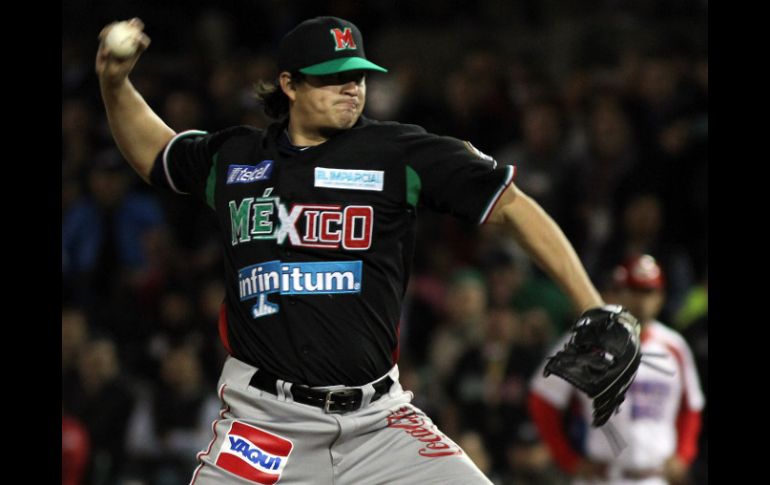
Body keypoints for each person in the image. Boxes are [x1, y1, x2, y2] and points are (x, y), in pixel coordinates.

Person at [96, 16, 626, 484]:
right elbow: (155, 151)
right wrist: (114, 82)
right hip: (264, 426)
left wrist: (593, 304)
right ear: (290, 85)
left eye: (359, 75)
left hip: (380, 424)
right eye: (333, 77)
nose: (352, 87)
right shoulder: (234, 158)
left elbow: (511, 205)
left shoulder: (398, 152)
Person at [528, 255, 704, 485]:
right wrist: (568, 459)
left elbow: (691, 406)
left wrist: (684, 455)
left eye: (648, 292)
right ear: (618, 291)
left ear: (661, 297)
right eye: (633, 289)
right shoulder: (588, 338)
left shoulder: (674, 346)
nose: (641, 299)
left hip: (655, 477)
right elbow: (542, 398)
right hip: (603, 477)